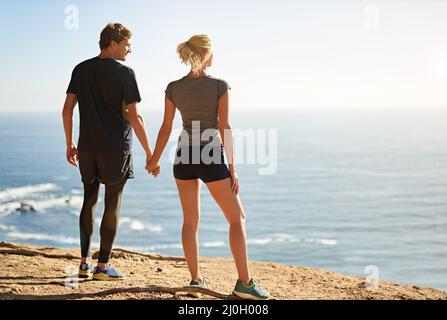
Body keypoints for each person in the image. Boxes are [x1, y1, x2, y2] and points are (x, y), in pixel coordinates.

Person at [146, 34, 270, 300]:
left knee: (190, 221)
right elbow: (224, 127)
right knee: (237, 219)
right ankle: (245, 284)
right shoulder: (219, 85)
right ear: (205, 55)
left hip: (183, 157)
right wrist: (233, 169)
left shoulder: (173, 87)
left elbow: (166, 128)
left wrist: (154, 160)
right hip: (210, 155)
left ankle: (195, 280)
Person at [62, 23, 159, 281]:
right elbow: (135, 118)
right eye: (127, 43)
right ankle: (102, 267)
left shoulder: (81, 69)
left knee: (89, 200)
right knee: (112, 203)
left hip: (87, 148)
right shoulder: (125, 72)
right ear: (114, 42)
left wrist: (69, 143)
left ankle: (84, 264)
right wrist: (151, 153)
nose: (130, 49)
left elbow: (67, 110)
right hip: (116, 148)